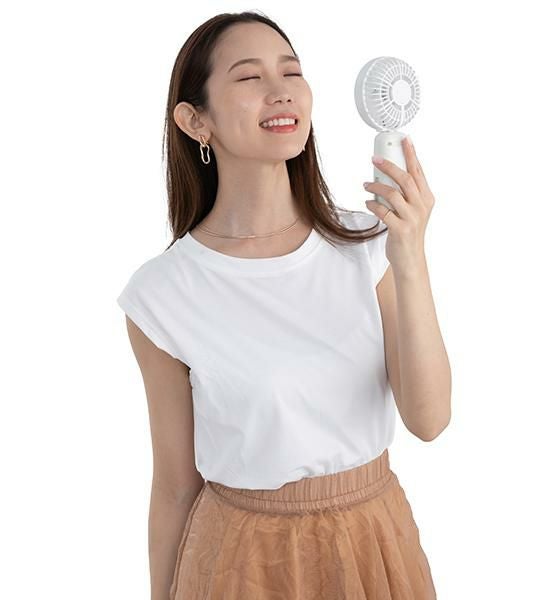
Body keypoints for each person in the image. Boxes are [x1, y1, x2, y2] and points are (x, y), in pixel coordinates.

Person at [117, 10, 447, 600]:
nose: (281, 91)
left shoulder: (367, 246)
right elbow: (174, 486)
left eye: (291, 72)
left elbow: (429, 420)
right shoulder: (163, 294)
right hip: (240, 563)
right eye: (250, 77)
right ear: (195, 121)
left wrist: (410, 256)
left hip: (371, 546)